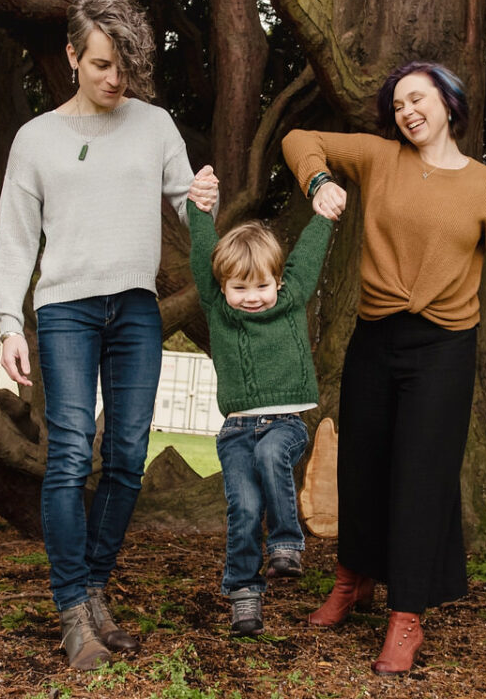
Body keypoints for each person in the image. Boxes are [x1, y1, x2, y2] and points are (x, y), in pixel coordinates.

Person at [281, 60, 486, 675]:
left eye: (417, 99)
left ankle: (407, 618)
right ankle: (351, 581)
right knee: (362, 467)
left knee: (422, 478)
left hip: (444, 349)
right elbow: (298, 140)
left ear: (448, 102)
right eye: (398, 105)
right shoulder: (379, 157)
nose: (407, 112)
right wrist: (318, 183)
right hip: (375, 336)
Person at [0, 0, 216, 671]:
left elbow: (187, 197)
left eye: (123, 66)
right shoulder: (37, 139)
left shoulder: (153, 124)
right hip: (65, 311)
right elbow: (16, 238)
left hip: (136, 310)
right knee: (67, 453)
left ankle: (94, 590)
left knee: (124, 456)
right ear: (71, 57)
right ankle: (71, 611)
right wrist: (8, 320)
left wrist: (202, 195)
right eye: (99, 65)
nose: (114, 79)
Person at [185, 165, 333, 636]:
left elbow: (308, 257)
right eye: (239, 288)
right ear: (222, 289)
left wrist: (324, 217)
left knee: (273, 454)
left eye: (262, 286)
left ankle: (287, 545)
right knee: (244, 510)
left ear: (278, 282)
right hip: (235, 434)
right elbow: (201, 254)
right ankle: (245, 597)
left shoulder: (289, 302)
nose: (252, 297)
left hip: (286, 424)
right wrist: (199, 207)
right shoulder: (218, 310)